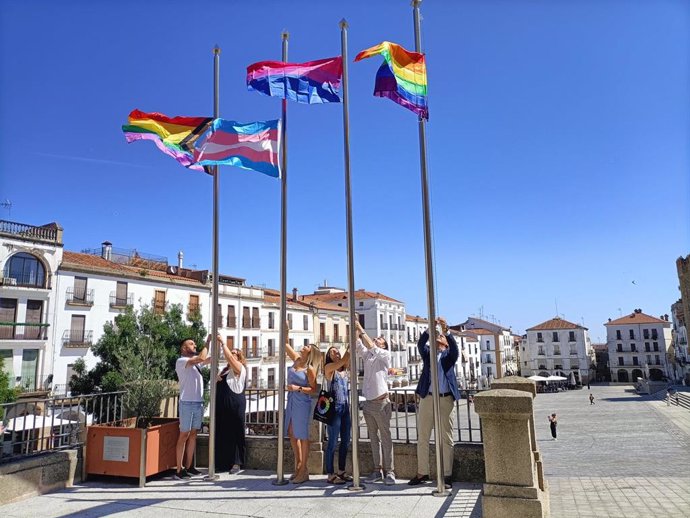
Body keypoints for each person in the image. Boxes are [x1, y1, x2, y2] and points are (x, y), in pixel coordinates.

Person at [408, 318, 459, 489]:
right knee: (423, 436)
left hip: (445, 399)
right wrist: (430, 329)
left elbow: (456, 351)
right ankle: (422, 472)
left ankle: (447, 475)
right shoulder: (428, 354)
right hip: (427, 398)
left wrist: (446, 331)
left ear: (445, 343)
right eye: (435, 337)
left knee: (446, 438)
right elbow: (420, 344)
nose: (437, 339)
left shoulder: (448, 356)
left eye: (440, 338)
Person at [355, 320, 395, 485]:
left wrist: (360, 328)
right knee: (373, 438)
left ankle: (390, 472)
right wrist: (355, 332)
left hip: (381, 402)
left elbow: (371, 346)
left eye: (380, 339)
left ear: (384, 345)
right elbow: (359, 347)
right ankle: (377, 470)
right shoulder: (370, 356)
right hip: (368, 403)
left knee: (386, 438)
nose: (377, 338)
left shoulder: (384, 355)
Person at [284, 335, 322, 484]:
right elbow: (285, 344)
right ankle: (299, 465)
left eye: (307, 346)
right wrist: (286, 329)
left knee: (303, 436)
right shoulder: (296, 359)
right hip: (292, 400)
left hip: (301, 401)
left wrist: (297, 388)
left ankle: (303, 470)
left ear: (310, 352)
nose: (304, 346)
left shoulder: (309, 369)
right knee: (292, 432)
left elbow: (313, 389)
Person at [174, 334, 212, 480]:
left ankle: (189, 466)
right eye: (192, 344)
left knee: (193, 435)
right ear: (184, 348)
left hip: (198, 402)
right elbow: (202, 358)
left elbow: (207, 359)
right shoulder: (182, 361)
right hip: (187, 402)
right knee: (183, 435)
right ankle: (179, 469)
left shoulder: (195, 364)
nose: (194, 346)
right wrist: (207, 342)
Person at [215, 338, 247, 474]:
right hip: (222, 404)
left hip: (235, 403)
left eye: (235, 353)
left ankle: (236, 462)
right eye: (231, 352)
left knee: (235, 432)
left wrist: (223, 343)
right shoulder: (225, 370)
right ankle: (223, 462)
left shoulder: (240, 368)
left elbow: (230, 359)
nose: (232, 354)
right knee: (223, 432)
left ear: (239, 357)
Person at [323, 345, 352, 485]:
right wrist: (351, 345)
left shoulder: (344, 370)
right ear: (329, 356)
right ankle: (330, 473)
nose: (336, 352)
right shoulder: (329, 368)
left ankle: (341, 470)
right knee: (332, 442)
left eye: (337, 350)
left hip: (345, 408)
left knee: (346, 441)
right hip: (334, 409)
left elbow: (346, 360)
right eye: (332, 351)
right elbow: (345, 359)